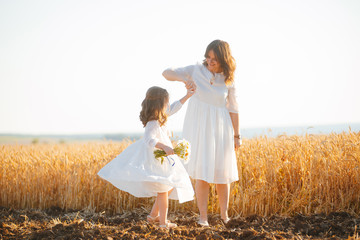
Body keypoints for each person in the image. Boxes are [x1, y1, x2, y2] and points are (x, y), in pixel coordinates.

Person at [162, 39, 241, 226]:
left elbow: (234, 109)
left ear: (224, 59)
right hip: (199, 128)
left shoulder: (229, 80)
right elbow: (166, 73)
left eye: (214, 58)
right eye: (208, 57)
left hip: (221, 128)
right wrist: (185, 78)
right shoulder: (196, 70)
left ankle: (224, 216)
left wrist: (237, 136)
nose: (210, 61)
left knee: (223, 173)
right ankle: (203, 217)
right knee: (202, 173)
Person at [97, 86, 195, 228]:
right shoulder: (153, 122)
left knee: (167, 187)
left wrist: (187, 96)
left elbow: (174, 107)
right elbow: (149, 140)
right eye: (166, 102)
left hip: (163, 158)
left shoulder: (162, 117)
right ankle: (163, 223)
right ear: (159, 104)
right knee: (163, 189)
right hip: (156, 159)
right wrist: (164, 146)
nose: (168, 105)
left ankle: (153, 216)